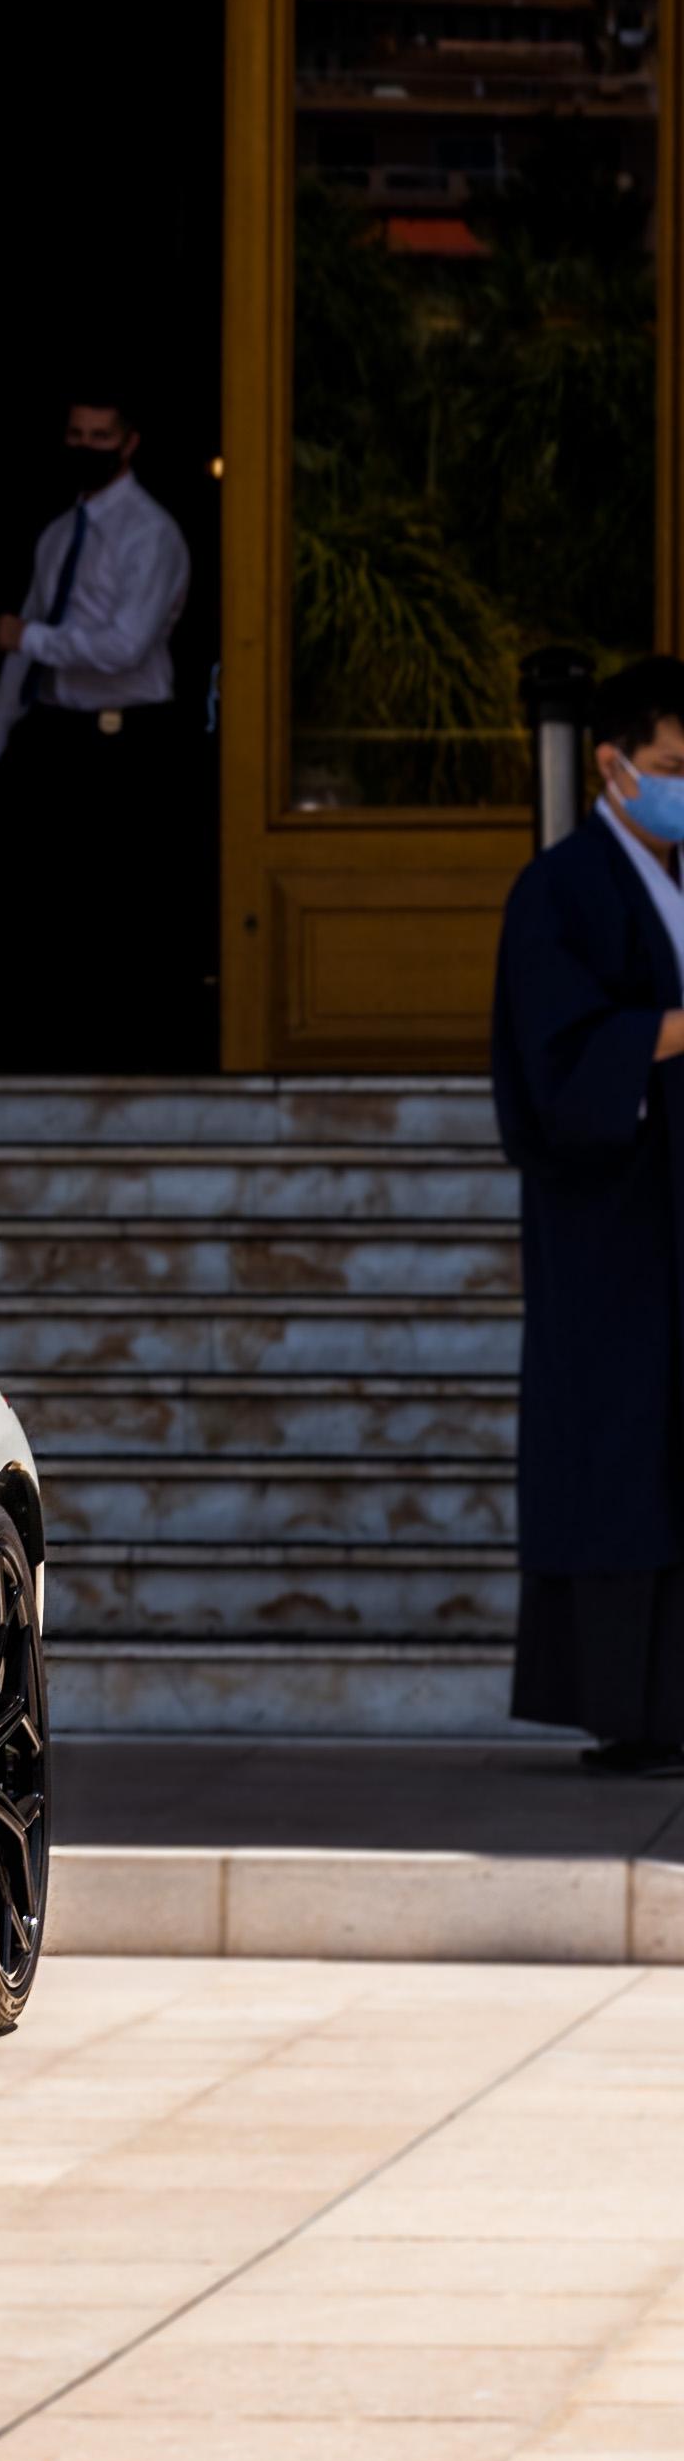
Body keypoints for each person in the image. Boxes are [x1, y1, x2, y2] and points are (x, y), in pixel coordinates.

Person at [495, 653, 684, 1771]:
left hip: (671, 1213)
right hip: (610, 1224)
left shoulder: (669, 876)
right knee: (621, 1449)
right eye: (669, 766)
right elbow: (557, 1055)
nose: (681, 785)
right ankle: (632, 1706)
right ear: (611, 765)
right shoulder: (562, 888)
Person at [0, 387, 195, 1066]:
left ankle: (128, 1062)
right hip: (58, 735)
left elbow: (123, 647)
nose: (87, 446)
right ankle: (54, 1060)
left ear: (130, 442)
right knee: (53, 911)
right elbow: (19, 658)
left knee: (121, 914)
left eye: (101, 435)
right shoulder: (57, 535)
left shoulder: (153, 534)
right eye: (76, 433)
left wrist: (30, 637)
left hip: (129, 744)